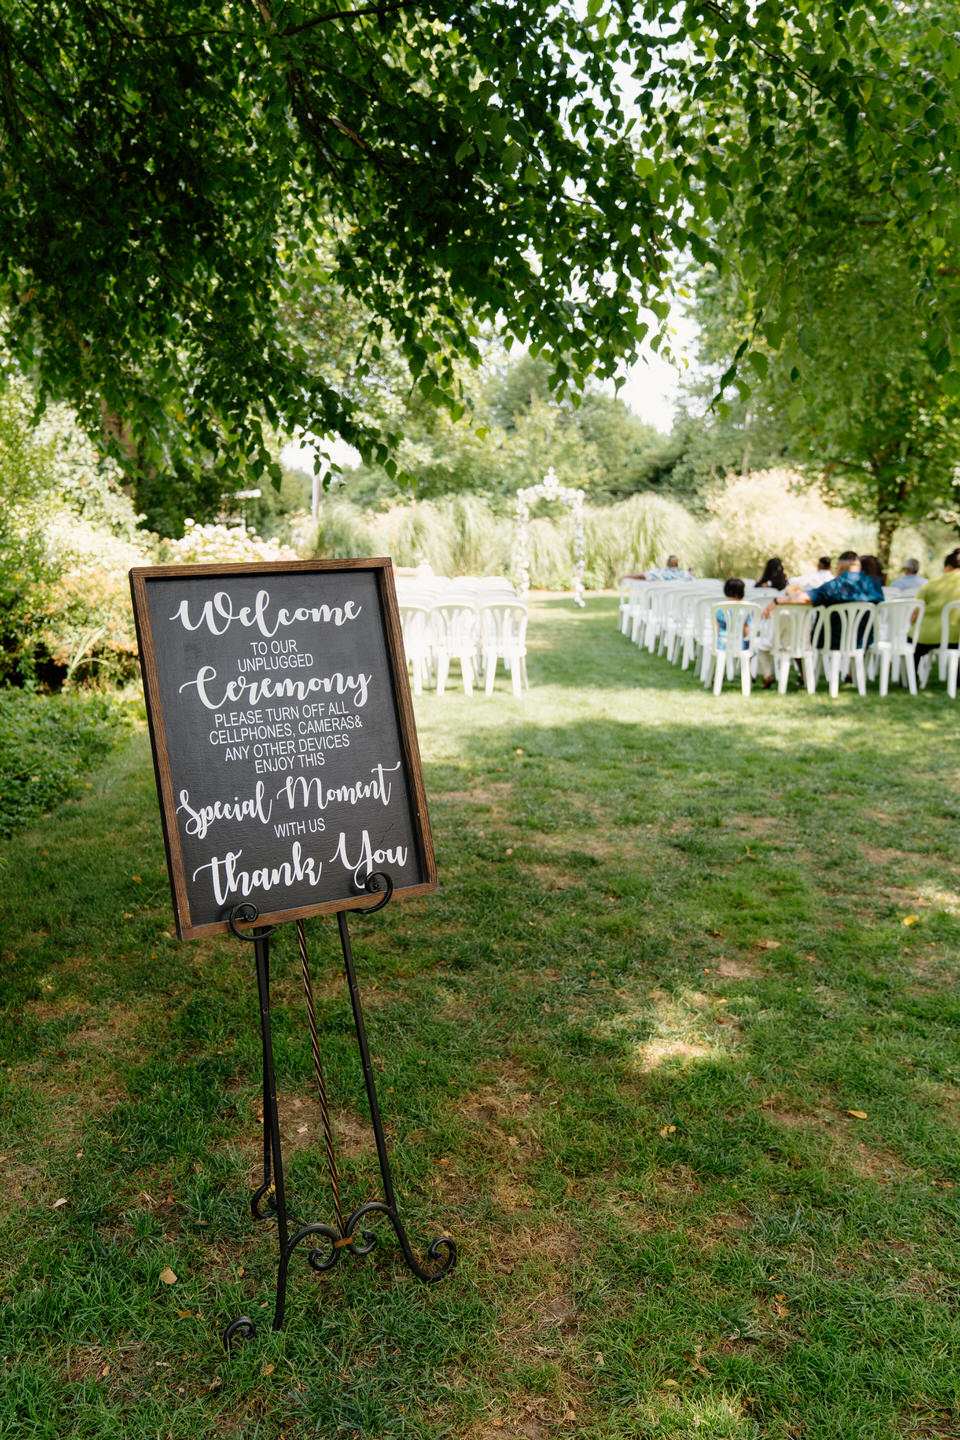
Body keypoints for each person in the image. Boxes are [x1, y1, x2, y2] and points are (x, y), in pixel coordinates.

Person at [912, 549, 960, 663]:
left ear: (948, 566)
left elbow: (915, 612)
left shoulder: (932, 583)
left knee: (912, 647)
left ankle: (909, 678)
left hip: (928, 637)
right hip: (957, 637)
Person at [621, 555, 695, 582]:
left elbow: (640, 575)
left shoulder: (659, 573)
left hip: (662, 609)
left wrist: (624, 577)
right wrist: (691, 574)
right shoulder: (685, 574)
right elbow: (693, 579)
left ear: (667, 563)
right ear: (677, 565)